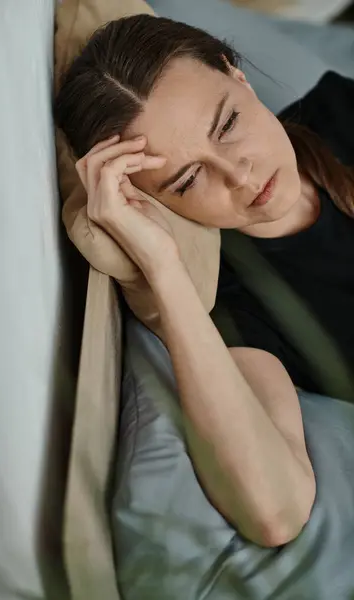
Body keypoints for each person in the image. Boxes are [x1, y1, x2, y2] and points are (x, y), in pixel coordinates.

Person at [55, 15, 354, 547]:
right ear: (151, 201)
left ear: (235, 74)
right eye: (188, 180)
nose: (239, 175)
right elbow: (274, 513)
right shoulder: (239, 307)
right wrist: (163, 269)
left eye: (227, 125)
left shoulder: (340, 109)